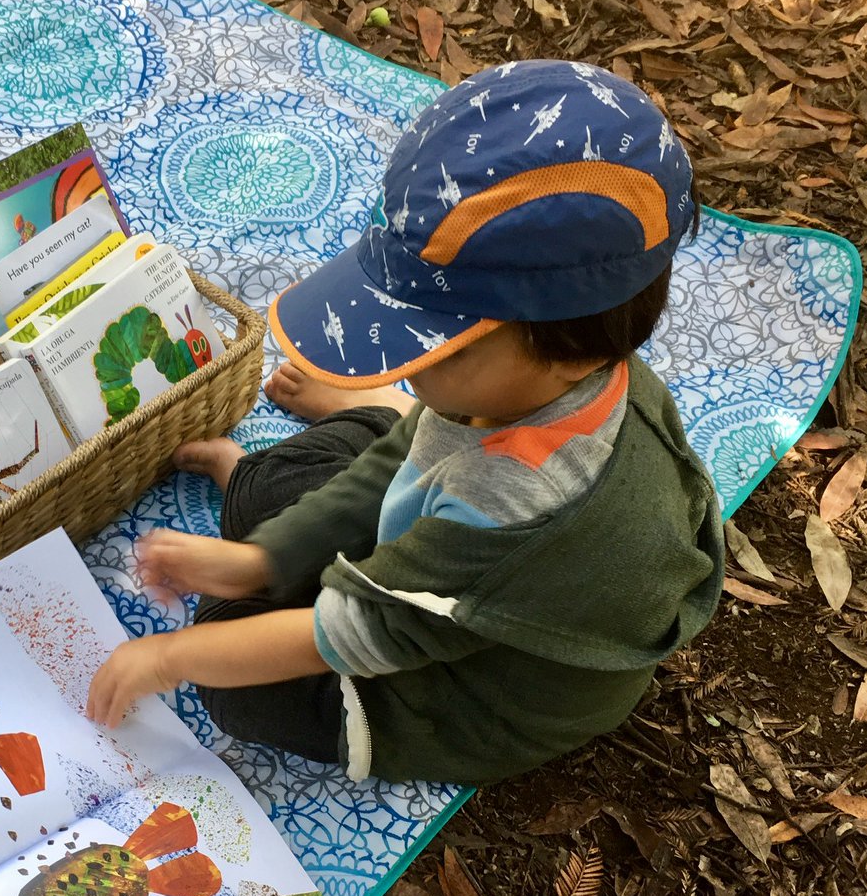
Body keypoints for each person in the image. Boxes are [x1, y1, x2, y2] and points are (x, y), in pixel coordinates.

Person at [86, 59, 724, 786]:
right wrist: (263, 559)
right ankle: (289, 484)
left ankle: (276, 512)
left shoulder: (511, 505)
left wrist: (166, 657)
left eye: (433, 347)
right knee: (272, 502)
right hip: (443, 547)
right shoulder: (577, 367)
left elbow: (348, 638)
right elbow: (406, 453)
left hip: (462, 689)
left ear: (558, 345)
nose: (407, 367)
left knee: (233, 679)